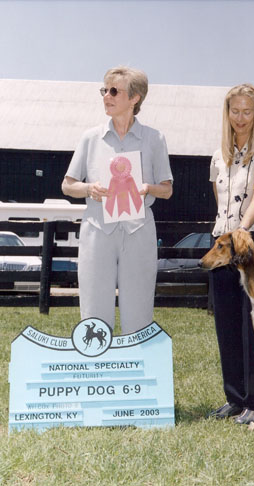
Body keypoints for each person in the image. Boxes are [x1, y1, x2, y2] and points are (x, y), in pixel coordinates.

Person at [61, 66, 173, 335]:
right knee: (94, 312)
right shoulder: (90, 138)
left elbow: (167, 190)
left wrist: (147, 187)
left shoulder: (155, 139)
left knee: (139, 312)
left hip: (139, 231)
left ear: (135, 98)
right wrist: (90, 188)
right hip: (97, 231)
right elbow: (67, 185)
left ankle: (136, 369)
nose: (106, 97)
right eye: (104, 90)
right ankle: (95, 369)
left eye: (114, 91)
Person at [208, 83, 254, 425]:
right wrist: (225, 238)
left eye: (247, 111)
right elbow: (219, 201)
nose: (240, 118)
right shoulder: (218, 156)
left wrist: (242, 230)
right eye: (234, 111)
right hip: (223, 248)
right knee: (226, 324)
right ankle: (234, 398)